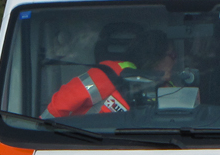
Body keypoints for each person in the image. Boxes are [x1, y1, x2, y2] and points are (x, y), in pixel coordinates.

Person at [42, 28, 175, 118]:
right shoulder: (107, 75)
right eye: (172, 55)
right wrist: (41, 139)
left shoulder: (169, 88)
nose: (174, 61)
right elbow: (58, 107)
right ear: (156, 57)